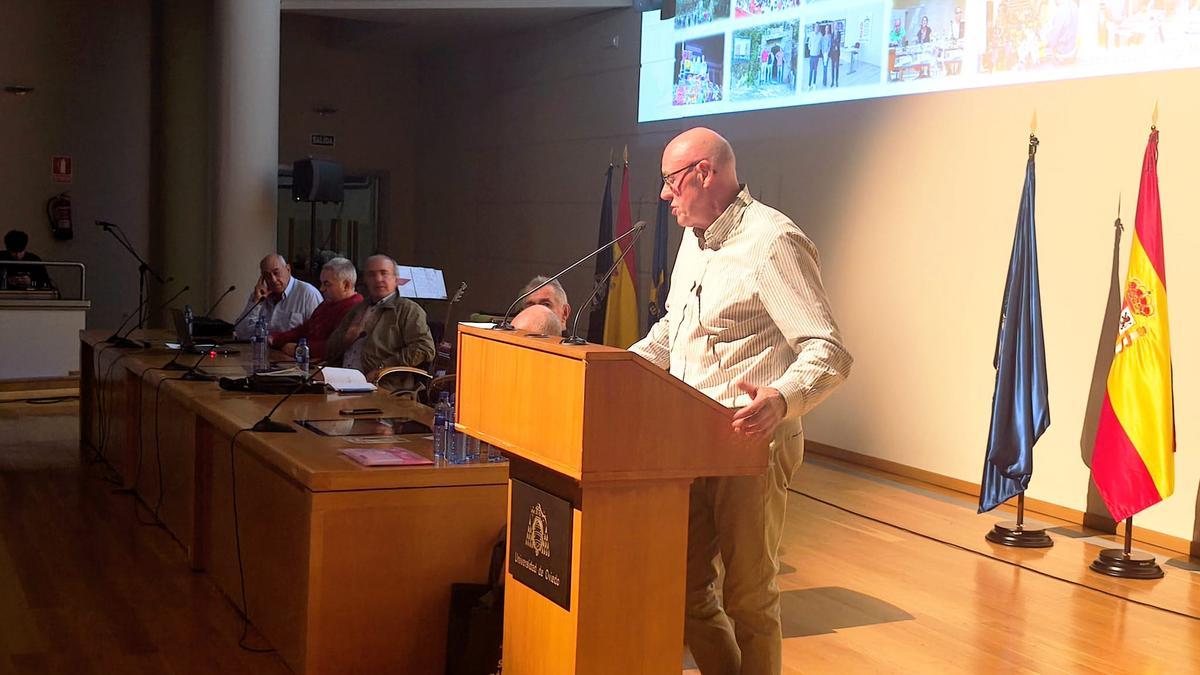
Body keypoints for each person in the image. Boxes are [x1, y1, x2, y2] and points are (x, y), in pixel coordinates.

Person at [631, 128, 852, 675]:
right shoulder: (695, 240)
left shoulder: (773, 241)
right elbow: (673, 331)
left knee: (749, 599)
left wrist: (782, 397)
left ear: (704, 174)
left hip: (753, 443)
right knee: (683, 589)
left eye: (670, 181)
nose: (664, 195)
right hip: (692, 442)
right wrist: (614, 369)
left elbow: (827, 349)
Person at [325, 254, 435, 387]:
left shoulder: (408, 310)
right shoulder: (357, 309)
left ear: (396, 279)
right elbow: (329, 350)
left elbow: (424, 348)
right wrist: (346, 339)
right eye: (371, 275)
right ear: (365, 280)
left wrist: (383, 367)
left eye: (384, 273)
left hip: (383, 385)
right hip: (341, 381)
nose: (378, 279)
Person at [270, 257, 363, 360]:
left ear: (346, 285)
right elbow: (305, 329)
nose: (321, 289)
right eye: (321, 283)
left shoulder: (356, 309)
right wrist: (275, 339)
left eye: (327, 284)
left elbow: (334, 347)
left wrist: (298, 349)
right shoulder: (327, 303)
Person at [233, 253, 321, 338]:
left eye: (276, 273)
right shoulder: (260, 296)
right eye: (267, 275)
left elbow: (318, 334)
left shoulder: (308, 294)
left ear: (288, 269)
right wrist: (256, 303)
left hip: (293, 347)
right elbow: (241, 333)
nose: (273, 280)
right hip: (262, 347)